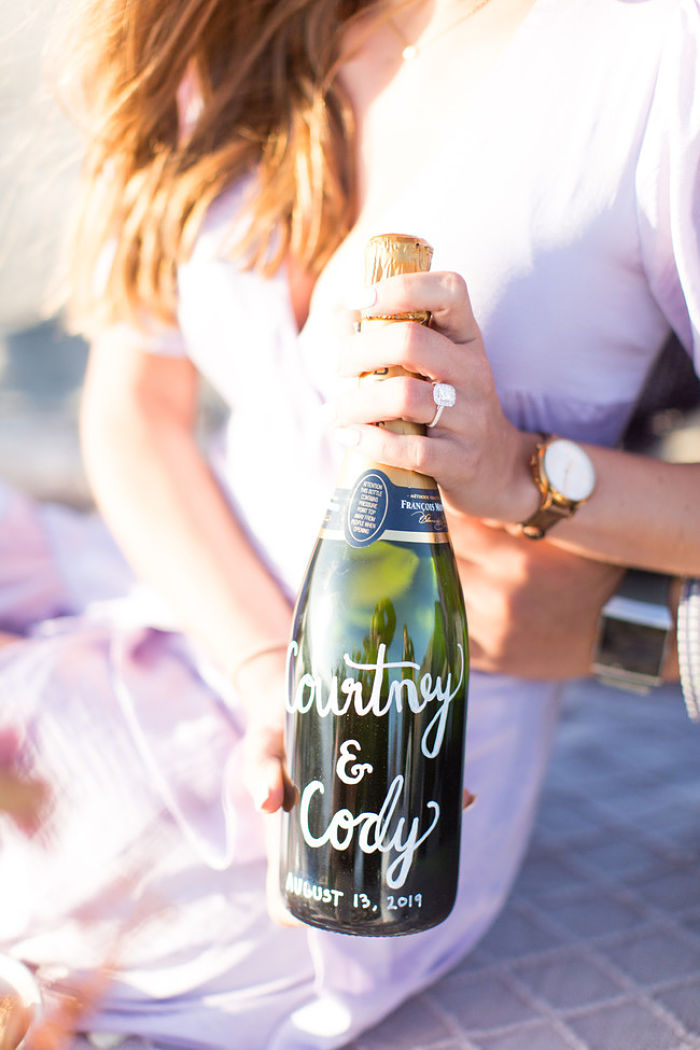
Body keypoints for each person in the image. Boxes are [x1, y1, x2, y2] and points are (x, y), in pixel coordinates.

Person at [1, 0, 699, 1046]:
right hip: (195, 605)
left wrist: (523, 474)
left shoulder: (653, 53)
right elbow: (136, 410)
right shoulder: (222, 20)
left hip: (365, 774)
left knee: (73, 868)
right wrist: (260, 669)